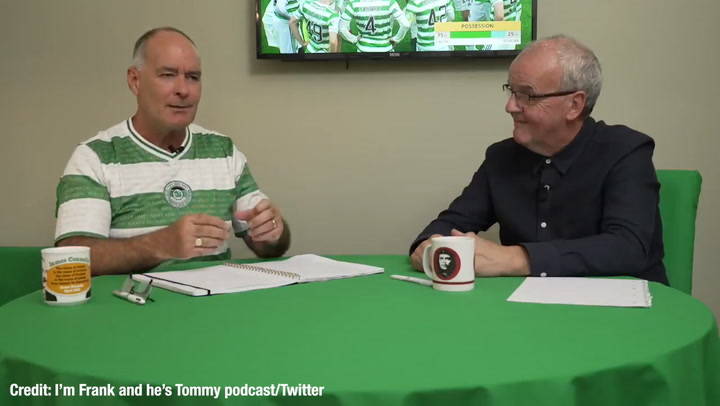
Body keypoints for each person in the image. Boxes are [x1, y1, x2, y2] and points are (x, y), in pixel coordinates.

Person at [409, 35, 668, 285]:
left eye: (527, 95)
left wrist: (517, 258)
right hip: (525, 315)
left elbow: (628, 248)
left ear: (574, 105)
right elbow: (449, 224)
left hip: (622, 315)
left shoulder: (626, 150)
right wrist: (428, 245)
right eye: (511, 91)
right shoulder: (501, 157)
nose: (510, 106)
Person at [54, 27, 290, 275]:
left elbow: (270, 248)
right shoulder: (95, 156)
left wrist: (272, 230)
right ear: (135, 80)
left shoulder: (223, 151)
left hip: (216, 307)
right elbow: (70, 259)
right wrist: (160, 244)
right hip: (131, 308)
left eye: (193, 77)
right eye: (168, 75)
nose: (183, 90)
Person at [339, 0, 410, 53]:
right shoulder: (390, 3)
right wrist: (396, 39)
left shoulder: (353, 4)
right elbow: (405, 24)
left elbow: (341, 28)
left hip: (363, 50)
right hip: (386, 50)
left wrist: (353, 39)